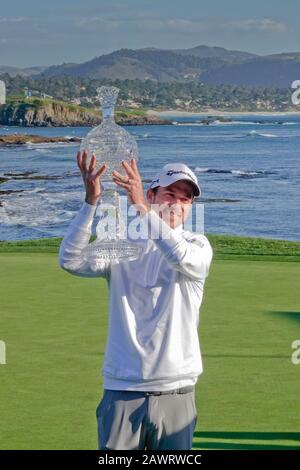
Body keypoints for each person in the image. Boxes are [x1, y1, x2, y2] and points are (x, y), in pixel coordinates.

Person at [58, 151, 213, 450]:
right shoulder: (121, 244)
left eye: (186, 199)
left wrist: (142, 209)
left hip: (176, 391)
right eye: (170, 194)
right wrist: (90, 203)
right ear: (153, 194)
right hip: (122, 389)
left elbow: (178, 256)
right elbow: (70, 260)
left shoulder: (198, 245)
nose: (178, 204)